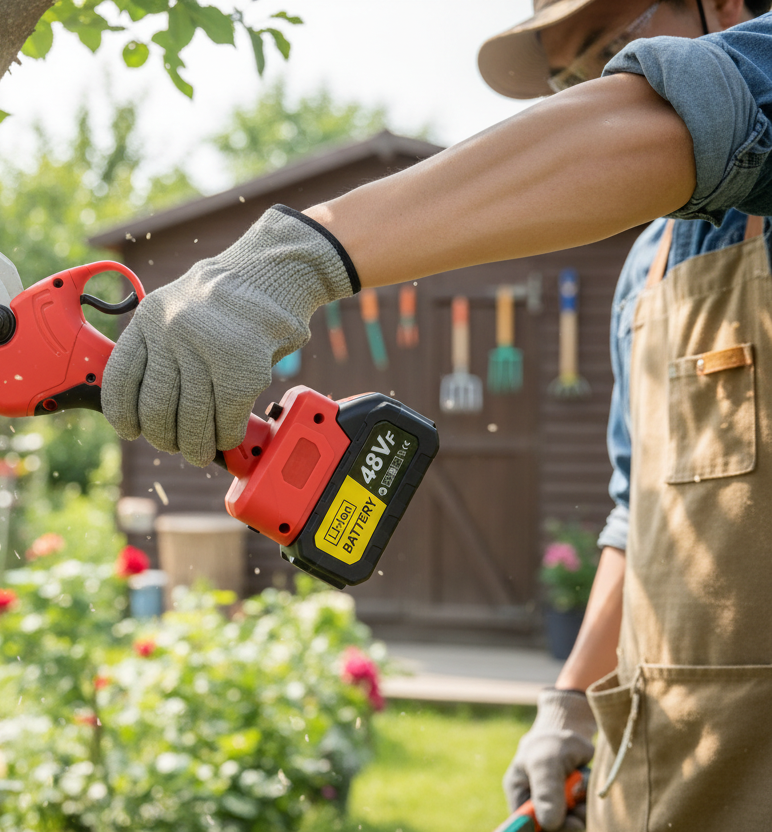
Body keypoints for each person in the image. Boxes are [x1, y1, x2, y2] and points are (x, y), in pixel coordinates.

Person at [101, 1, 772, 829]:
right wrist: (567, 701)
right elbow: (644, 518)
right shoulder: (646, 270)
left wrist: (296, 256)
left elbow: (694, 111)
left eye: (617, 46)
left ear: (730, 7)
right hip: (663, 783)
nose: (604, 86)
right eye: (572, 79)